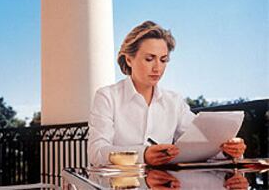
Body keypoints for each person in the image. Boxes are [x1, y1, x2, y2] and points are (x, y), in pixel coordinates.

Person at [88, 21, 246, 166]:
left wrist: (227, 150)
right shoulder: (107, 97)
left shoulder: (174, 102)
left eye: (163, 60)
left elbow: (202, 143)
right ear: (129, 60)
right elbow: (97, 153)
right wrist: (143, 154)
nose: (157, 68)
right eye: (149, 59)